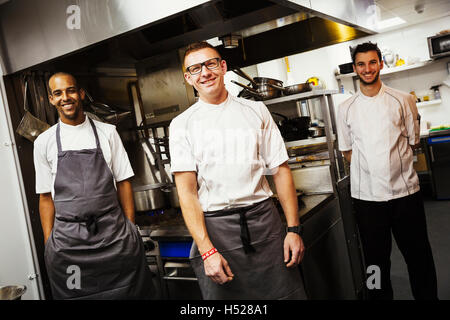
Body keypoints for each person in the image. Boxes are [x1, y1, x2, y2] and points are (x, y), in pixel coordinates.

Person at [169, 41, 306, 300]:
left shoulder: (255, 111)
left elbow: (281, 171)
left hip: (265, 222)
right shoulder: (181, 125)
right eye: (195, 69)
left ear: (222, 67)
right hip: (217, 231)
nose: (205, 73)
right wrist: (206, 250)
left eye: (210, 64)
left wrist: (294, 230)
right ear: (188, 78)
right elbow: (186, 193)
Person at [33, 72, 153, 299]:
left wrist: (129, 228)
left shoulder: (108, 133)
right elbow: (45, 197)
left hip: (114, 240)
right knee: (77, 294)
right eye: (57, 93)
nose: (65, 97)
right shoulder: (43, 143)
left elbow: (124, 182)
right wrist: (50, 244)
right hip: (70, 249)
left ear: (80, 93)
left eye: (70, 90)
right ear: (51, 99)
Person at [336, 42, 438, 300]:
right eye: (361, 64)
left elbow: (413, 141)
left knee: (419, 256)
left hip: (405, 194)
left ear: (381, 63)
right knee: (374, 262)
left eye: (372, 62)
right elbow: (347, 151)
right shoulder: (345, 108)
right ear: (354, 68)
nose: (367, 69)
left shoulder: (403, 100)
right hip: (367, 199)